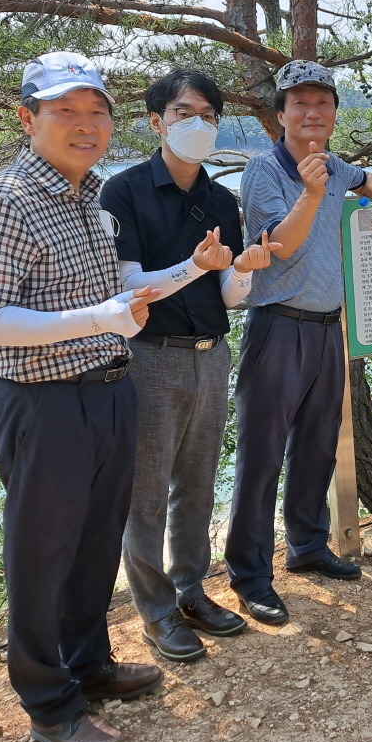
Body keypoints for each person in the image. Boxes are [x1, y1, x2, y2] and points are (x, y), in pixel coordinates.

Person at [0, 51, 163, 742]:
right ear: (27, 118)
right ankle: (49, 703)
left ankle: (90, 665)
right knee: (42, 555)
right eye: (65, 112)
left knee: (95, 543)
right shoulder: (5, 201)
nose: (85, 125)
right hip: (43, 404)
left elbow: (102, 306)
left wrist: (121, 316)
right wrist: (101, 319)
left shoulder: (88, 198)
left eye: (96, 111)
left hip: (107, 391)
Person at [100, 70, 280, 663]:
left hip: (211, 354)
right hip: (150, 358)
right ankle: (154, 613)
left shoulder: (219, 199)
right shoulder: (122, 192)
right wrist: (196, 267)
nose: (196, 124)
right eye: (183, 113)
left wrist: (246, 267)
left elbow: (229, 293)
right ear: (156, 121)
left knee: (198, 485)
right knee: (146, 493)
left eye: (207, 115)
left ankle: (190, 591)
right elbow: (130, 290)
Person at [226, 60, 372, 626]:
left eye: (322, 104)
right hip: (277, 326)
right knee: (261, 457)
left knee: (316, 448)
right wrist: (310, 193)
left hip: (328, 327)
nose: (312, 114)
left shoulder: (330, 163)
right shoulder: (264, 171)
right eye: (299, 104)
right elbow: (279, 244)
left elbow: (364, 178)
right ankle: (251, 575)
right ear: (280, 115)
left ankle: (306, 545)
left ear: (333, 114)